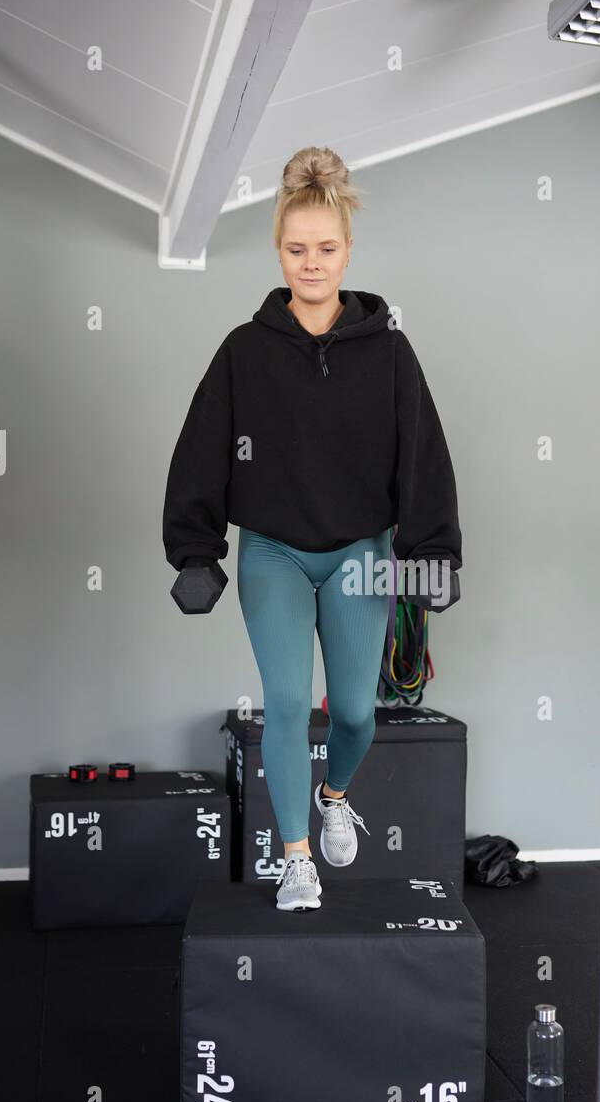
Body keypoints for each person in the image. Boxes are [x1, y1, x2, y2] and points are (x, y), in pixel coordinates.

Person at [162, 145, 462, 911]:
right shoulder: (245, 351)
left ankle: (335, 795)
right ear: (280, 252)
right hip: (273, 551)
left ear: (347, 252)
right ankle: (297, 860)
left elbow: (423, 453)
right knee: (289, 703)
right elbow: (200, 449)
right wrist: (195, 550)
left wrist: (432, 552)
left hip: (362, 554)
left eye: (325, 250)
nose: (312, 263)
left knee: (356, 712)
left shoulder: (389, 353)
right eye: (297, 250)